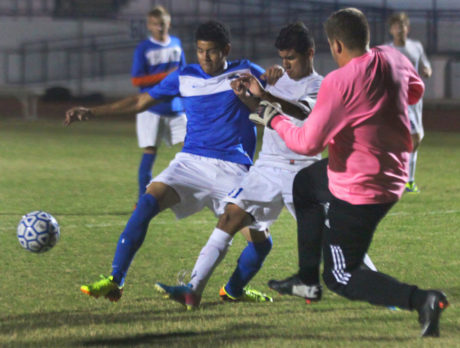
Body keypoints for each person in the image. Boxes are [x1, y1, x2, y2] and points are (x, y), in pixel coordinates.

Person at [251, 8, 448, 337]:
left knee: (342, 276)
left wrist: (273, 119)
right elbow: (415, 90)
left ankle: (422, 299)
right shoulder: (393, 57)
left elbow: (308, 143)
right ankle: (306, 279)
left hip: (361, 188)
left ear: (336, 45)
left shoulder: (338, 82)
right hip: (388, 170)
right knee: (305, 185)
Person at [155, 22, 376, 310]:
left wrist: (265, 94)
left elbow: (302, 111)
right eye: (283, 58)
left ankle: (376, 286)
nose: (286, 64)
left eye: (292, 58)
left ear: (310, 53)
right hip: (267, 168)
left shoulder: (322, 85)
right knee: (229, 217)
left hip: (303, 172)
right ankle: (193, 290)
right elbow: (261, 112)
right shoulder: (275, 79)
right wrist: (245, 96)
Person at [65, 20, 265, 302]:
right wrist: (92, 112)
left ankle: (233, 290)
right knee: (147, 201)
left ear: (226, 50)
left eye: (211, 52)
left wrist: (266, 89)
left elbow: (275, 101)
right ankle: (115, 279)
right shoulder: (185, 76)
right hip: (190, 163)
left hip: (233, 168)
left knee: (261, 242)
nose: (205, 58)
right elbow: (139, 102)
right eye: (199, 50)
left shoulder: (248, 72)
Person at [131, 6, 187, 205]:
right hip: (151, 108)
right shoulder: (144, 48)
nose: (159, 28)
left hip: (176, 108)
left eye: (162, 24)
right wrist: (164, 76)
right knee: (150, 151)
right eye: (155, 25)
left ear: (168, 23)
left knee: (192, 147)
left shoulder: (177, 44)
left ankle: (194, 193)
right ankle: (142, 199)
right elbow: (136, 80)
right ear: (149, 26)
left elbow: (183, 74)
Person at [387, 12, 432, 194]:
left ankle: (408, 180)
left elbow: (425, 64)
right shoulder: (387, 51)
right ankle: (403, 179)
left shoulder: (416, 47)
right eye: (397, 25)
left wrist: (427, 69)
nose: (401, 29)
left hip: (415, 101)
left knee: (417, 138)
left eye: (403, 25)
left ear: (408, 28)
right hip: (397, 101)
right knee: (413, 138)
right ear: (391, 30)